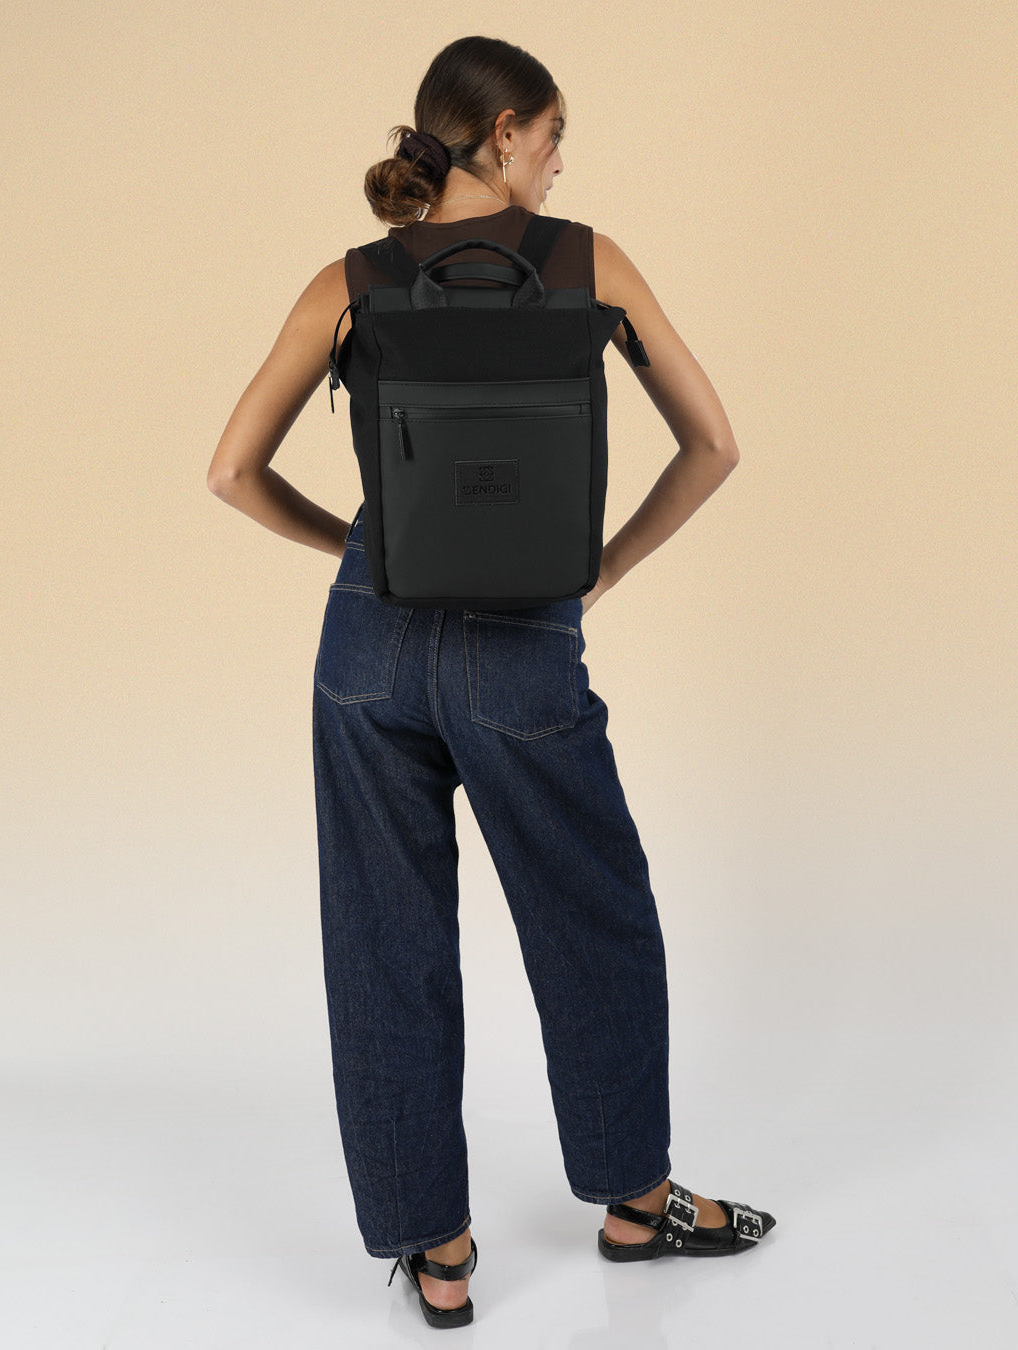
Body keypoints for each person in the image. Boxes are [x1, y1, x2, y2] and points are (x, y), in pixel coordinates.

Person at [208, 33, 775, 1332]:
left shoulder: (348, 281)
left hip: (368, 646)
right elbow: (714, 443)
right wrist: (603, 567)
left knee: (385, 944)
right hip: (523, 645)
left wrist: (355, 549)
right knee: (595, 918)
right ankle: (637, 1201)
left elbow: (231, 471)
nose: (561, 161)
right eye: (555, 135)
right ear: (506, 131)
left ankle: (440, 1252)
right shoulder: (587, 262)